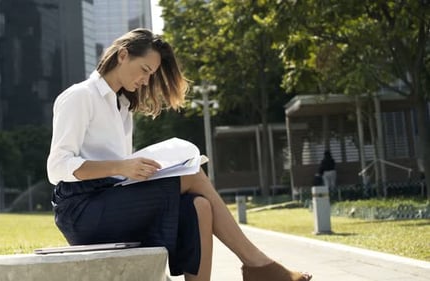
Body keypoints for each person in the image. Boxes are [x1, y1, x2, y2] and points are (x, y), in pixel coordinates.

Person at [47, 28, 311, 281]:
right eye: (145, 70)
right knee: (193, 175)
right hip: (81, 211)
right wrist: (123, 167)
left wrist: (138, 170)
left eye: (151, 74)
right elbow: (57, 167)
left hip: (111, 200)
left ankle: (254, 267)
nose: (146, 80)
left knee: (200, 207)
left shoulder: (123, 106)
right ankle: (257, 264)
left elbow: (119, 172)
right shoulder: (80, 96)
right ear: (123, 55)